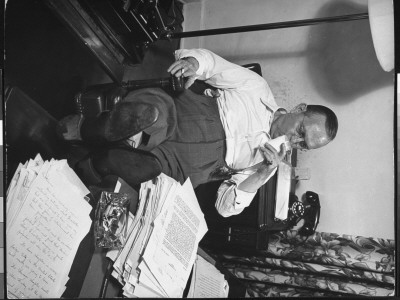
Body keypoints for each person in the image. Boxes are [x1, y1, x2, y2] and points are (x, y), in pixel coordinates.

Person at [58, 48, 338, 217]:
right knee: (152, 116)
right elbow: (214, 65)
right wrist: (194, 63)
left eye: (304, 144)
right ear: (299, 108)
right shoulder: (257, 88)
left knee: (148, 171)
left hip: (190, 164)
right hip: (185, 113)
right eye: (301, 129)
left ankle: (99, 160)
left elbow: (225, 207)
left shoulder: (269, 165)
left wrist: (261, 174)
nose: (296, 140)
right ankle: (89, 131)